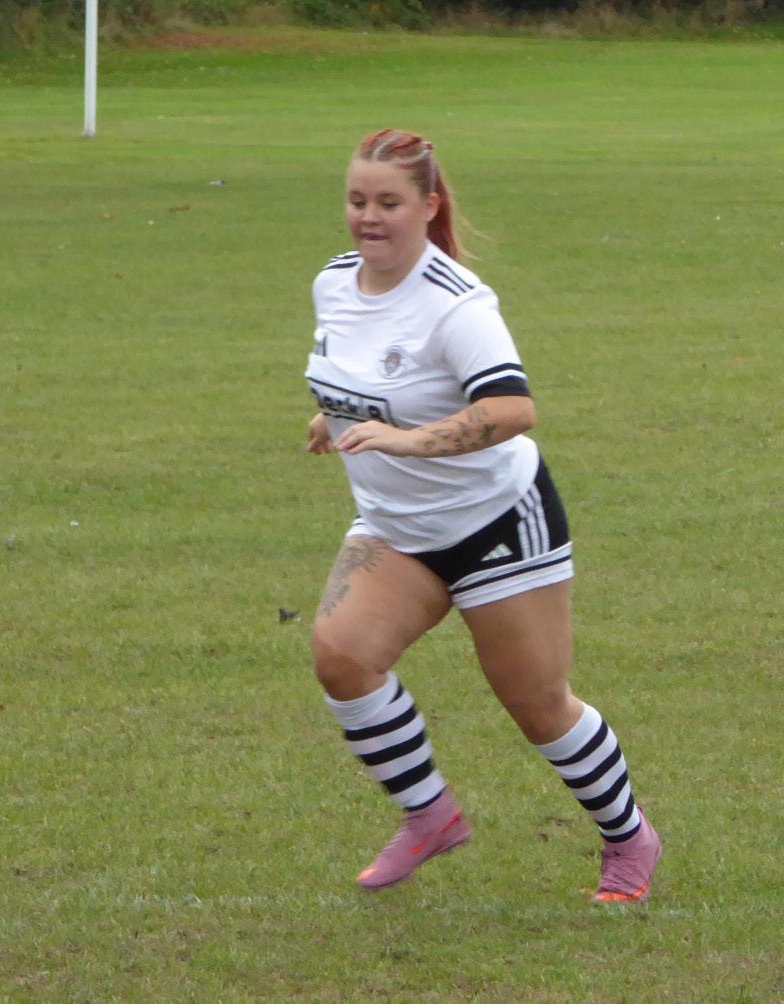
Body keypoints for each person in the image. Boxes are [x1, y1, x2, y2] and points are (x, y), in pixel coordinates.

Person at [303, 129, 660, 902]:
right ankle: (430, 815)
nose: (369, 216)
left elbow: (511, 409)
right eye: (358, 200)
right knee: (341, 655)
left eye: (389, 202)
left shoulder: (456, 303)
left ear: (429, 207)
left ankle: (629, 836)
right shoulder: (332, 283)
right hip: (397, 528)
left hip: (495, 524)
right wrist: (334, 415)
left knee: (538, 705)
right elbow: (359, 373)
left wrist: (406, 439)